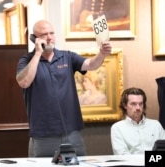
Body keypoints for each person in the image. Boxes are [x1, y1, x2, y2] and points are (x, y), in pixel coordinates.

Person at [16, 20, 112, 157]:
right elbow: (24, 82)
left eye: (52, 33)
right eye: (44, 34)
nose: (49, 37)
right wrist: (37, 54)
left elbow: (91, 64)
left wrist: (102, 54)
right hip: (43, 135)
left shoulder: (67, 57)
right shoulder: (26, 60)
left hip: (71, 132)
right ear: (34, 38)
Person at [110, 87, 165, 155]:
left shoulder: (156, 125)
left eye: (140, 104)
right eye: (133, 104)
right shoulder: (117, 128)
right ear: (125, 105)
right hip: (131, 165)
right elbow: (123, 156)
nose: (138, 108)